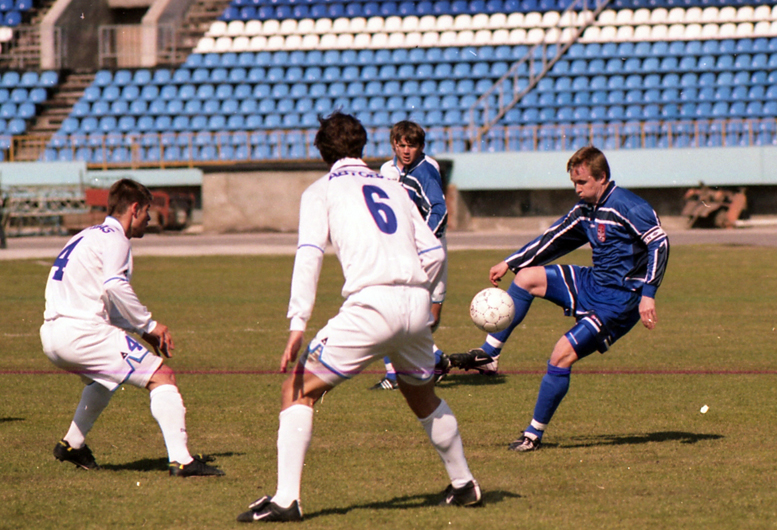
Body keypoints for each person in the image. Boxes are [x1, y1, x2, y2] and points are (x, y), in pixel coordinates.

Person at [236, 112, 480, 523]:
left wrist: (298, 323)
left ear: (322, 150)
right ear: (362, 146)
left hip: (372, 306)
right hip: (415, 304)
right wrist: (417, 293)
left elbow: (309, 255)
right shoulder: (393, 186)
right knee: (422, 397)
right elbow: (434, 252)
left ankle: (286, 500)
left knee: (296, 391)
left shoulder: (321, 190)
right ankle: (465, 484)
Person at [450, 146, 669, 452]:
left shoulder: (629, 206)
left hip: (619, 302)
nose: (577, 189)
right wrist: (510, 263)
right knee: (526, 278)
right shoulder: (586, 209)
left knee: (560, 355)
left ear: (602, 178)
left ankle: (532, 435)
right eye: (574, 183)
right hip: (592, 283)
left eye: (582, 182)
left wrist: (648, 295)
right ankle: (489, 355)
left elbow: (660, 243)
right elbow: (552, 238)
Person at [40, 178, 224, 476]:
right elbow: (114, 285)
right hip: (82, 333)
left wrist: (142, 330)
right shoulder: (116, 238)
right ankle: (182, 461)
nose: (149, 218)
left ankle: (72, 445)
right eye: (147, 211)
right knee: (162, 377)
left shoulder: (85, 235)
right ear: (134, 208)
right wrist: (148, 323)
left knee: (104, 381)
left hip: (52, 334)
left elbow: (105, 299)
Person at [371, 120, 451, 390]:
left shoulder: (426, 171)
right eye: (402, 145)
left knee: (429, 318)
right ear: (394, 145)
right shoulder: (386, 171)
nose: (406, 150)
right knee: (396, 309)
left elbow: (439, 210)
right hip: (402, 252)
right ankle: (397, 374)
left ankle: (435, 359)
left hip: (429, 251)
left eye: (412, 145)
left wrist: (422, 243)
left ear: (421, 146)